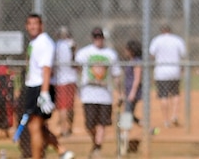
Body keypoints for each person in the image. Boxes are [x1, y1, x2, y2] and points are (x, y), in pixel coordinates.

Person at [21, 13, 74, 159]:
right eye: (30, 23)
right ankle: (61, 150)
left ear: (41, 25)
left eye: (35, 23)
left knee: (35, 127)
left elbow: (46, 69)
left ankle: (38, 157)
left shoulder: (44, 43)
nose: (32, 26)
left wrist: (44, 93)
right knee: (38, 126)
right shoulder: (34, 43)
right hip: (34, 86)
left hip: (40, 87)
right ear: (26, 26)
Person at [74, 28, 121, 158]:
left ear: (103, 38)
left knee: (102, 123)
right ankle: (96, 142)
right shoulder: (84, 53)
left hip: (105, 95)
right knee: (89, 124)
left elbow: (116, 75)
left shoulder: (111, 54)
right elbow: (76, 67)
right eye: (95, 37)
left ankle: (98, 148)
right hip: (88, 94)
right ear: (92, 37)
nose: (98, 39)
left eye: (100, 37)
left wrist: (119, 92)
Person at [149, 24, 186, 128]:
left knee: (163, 95)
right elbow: (183, 54)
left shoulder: (156, 40)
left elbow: (151, 54)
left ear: (162, 30)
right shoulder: (177, 40)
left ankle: (166, 120)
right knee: (175, 94)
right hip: (175, 71)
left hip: (161, 72)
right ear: (170, 30)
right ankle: (174, 115)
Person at [52, 26, 77, 137]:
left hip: (60, 79)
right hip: (70, 78)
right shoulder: (71, 44)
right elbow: (74, 59)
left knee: (62, 107)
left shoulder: (54, 45)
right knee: (69, 106)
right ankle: (69, 127)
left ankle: (64, 129)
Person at [122, 40, 143, 125]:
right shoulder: (131, 60)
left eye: (127, 49)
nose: (125, 51)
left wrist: (133, 93)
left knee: (127, 112)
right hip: (128, 90)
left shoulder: (137, 61)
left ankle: (125, 134)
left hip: (133, 91)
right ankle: (147, 127)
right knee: (129, 112)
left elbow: (137, 78)